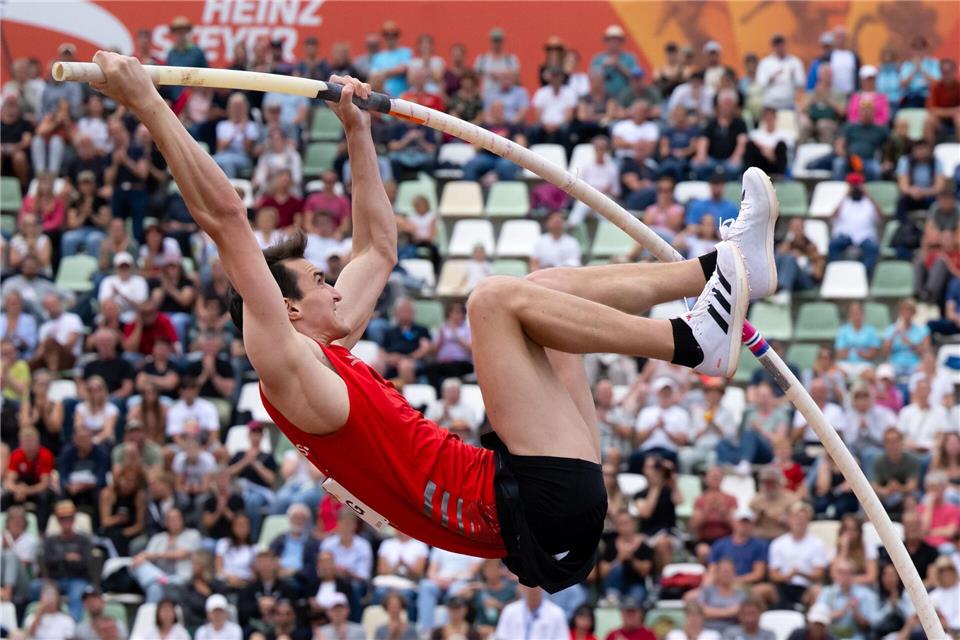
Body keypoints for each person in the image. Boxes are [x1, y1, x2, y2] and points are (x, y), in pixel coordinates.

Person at [91, 54, 777, 594]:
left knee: (538, 292)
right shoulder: (289, 365)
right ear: (289, 309)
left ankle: (720, 267)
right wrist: (150, 106)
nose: (336, 285)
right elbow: (226, 222)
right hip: (530, 502)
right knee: (491, 301)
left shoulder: (325, 352)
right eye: (322, 283)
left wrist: (358, 132)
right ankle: (689, 343)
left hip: (545, 492)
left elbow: (378, 250)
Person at [768, 503, 829, 608]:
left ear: (808, 521)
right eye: (795, 517)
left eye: (803, 518)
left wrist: (801, 574)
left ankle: (813, 621)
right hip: (783, 586)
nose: (799, 521)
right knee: (762, 590)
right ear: (789, 520)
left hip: (806, 588)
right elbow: (773, 574)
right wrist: (787, 576)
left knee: (817, 591)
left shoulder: (817, 544)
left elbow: (820, 574)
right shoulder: (778, 543)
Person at [40, 500, 92, 620]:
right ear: (57, 520)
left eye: (69, 518)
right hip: (54, 580)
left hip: (78, 579)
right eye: (62, 518)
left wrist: (58, 559)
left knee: (76, 595)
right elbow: (47, 561)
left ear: (74, 518)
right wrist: (66, 557)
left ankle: (72, 625)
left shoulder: (84, 540)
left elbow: (86, 563)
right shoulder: (50, 540)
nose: (66, 521)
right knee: (34, 588)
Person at [828, 172, 881, 275]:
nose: (855, 188)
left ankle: (861, 275)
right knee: (833, 245)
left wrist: (868, 195)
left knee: (873, 248)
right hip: (845, 235)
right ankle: (837, 274)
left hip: (864, 236)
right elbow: (832, 217)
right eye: (853, 185)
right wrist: (845, 195)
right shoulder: (843, 201)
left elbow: (880, 217)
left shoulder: (868, 202)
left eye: (857, 185)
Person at [494, 585, 568, 640]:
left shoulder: (557, 613)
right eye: (529, 586)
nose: (533, 589)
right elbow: (501, 636)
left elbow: (562, 638)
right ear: (521, 587)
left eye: (537, 586)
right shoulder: (510, 610)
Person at [756, 35, 805, 111]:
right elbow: (760, 83)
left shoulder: (794, 61)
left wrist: (793, 76)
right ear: (773, 47)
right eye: (776, 45)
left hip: (789, 103)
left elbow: (801, 82)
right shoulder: (765, 63)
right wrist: (771, 78)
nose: (779, 47)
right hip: (770, 104)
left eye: (781, 44)